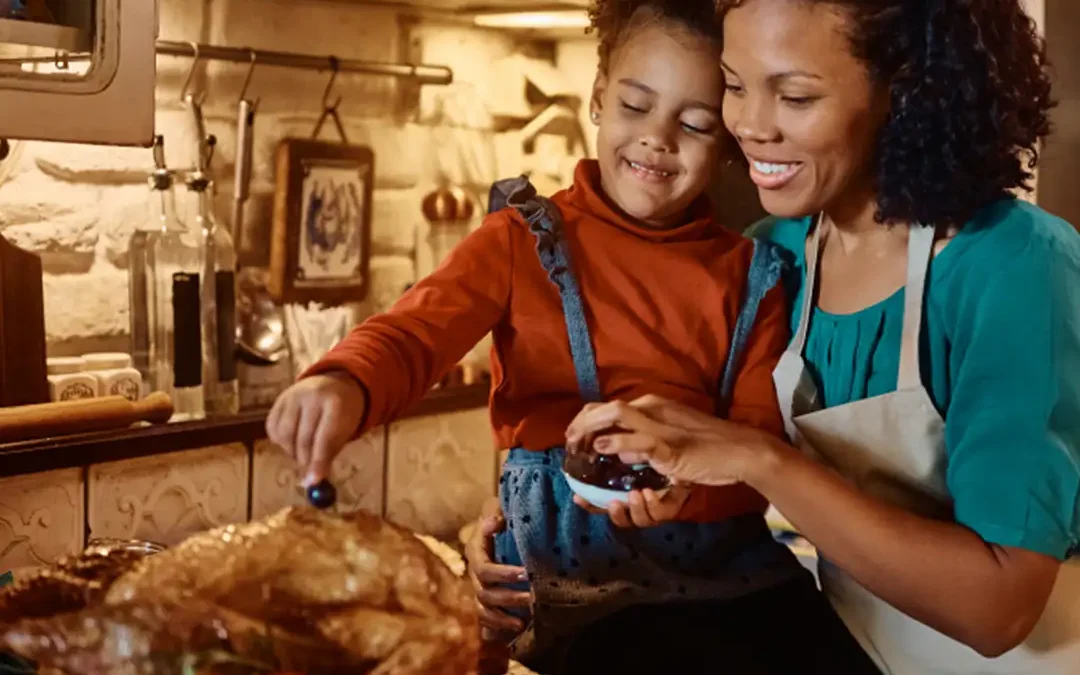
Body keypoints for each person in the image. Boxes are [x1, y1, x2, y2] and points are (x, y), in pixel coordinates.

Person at [267, 1, 880, 672]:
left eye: (695, 123)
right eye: (635, 106)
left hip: (731, 579)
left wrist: (690, 490)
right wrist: (343, 381)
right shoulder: (518, 242)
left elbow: (758, 451)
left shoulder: (757, 277)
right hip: (572, 594)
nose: (656, 139)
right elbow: (414, 333)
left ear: (729, 140)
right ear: (597, 97)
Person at [554, 0, 1080, 673]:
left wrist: (761, 460)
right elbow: (701, 464)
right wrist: (520, 531)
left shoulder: (1012, 264)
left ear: (906, 87)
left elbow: (999, 608)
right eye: (735, 85)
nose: (746, 125)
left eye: (795, 95)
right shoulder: (771, 258)